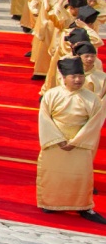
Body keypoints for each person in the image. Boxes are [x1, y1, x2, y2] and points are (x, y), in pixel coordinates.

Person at [37, 57, 106, 223]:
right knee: (53, 175)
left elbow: (95, 122)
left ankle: (83, 205)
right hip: (55, 142)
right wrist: (58, 140)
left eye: (80, 76)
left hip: (80, 143)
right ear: (64, 77)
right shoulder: (52, 95)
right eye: (74, 76)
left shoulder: (92, 99)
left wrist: (76, 141)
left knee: (81, 176)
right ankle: (50, 203)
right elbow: (45, 119)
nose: (78, 80)